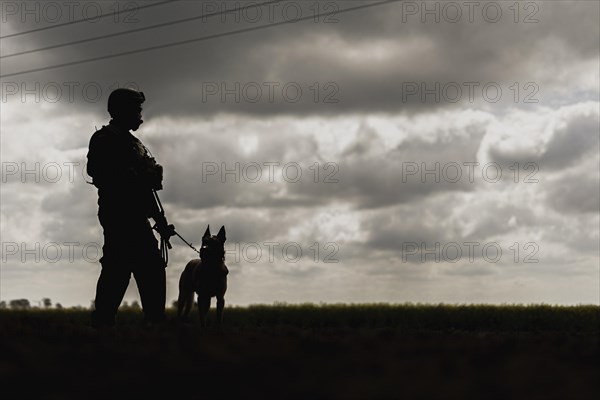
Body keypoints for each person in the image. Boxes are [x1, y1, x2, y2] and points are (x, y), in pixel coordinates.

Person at [87, 88, 175, 328]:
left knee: (137, 269)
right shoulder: (105, 139)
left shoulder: (135, 144)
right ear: (123, 110)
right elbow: (99, 174)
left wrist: (161, 221)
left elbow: (148, 192)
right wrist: (137, 176)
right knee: (124, 269)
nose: (140, 115)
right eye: (136, 109)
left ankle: (143, 323)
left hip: (136, 216)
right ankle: (110, 323)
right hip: (119, 216)